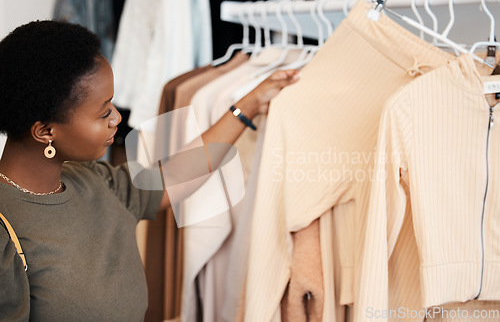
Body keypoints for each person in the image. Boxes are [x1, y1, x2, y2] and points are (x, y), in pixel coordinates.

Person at [0, 20, 299, 321]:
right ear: (45, 131)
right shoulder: (6, 231)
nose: (116, 118)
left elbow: (174, 175)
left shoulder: (92, 180)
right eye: (104, 111)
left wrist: (246, 106)